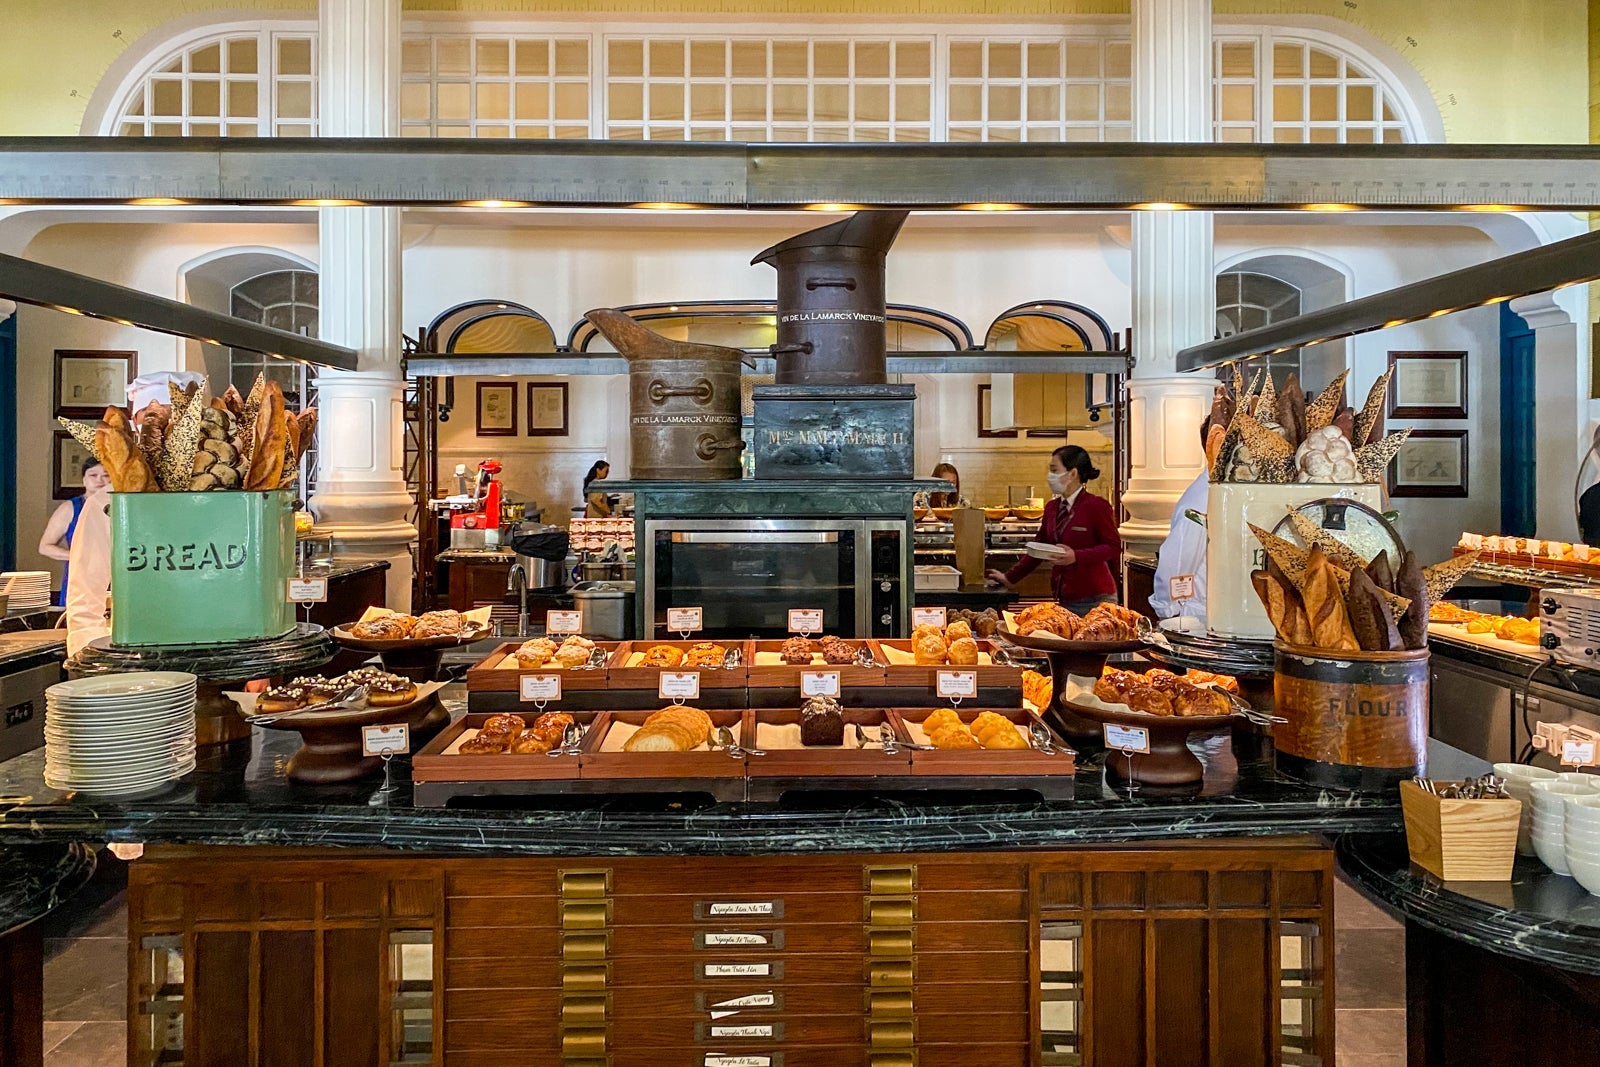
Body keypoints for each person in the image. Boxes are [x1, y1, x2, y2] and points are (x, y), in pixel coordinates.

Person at [64, 370, 205, 656]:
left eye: (171, 420)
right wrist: (90, 656)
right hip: (136, 653)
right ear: (136, 426)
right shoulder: (107, 502)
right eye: (150, 421)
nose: (162, 432)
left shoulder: (220, 495)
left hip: (213, 646)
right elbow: (85, 596)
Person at [986, 444, 1121, 615]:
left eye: (1054, 470)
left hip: (1096, 599)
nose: (1050, 476)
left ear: (1072, 473)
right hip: (1064, 597)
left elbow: (1113, 547)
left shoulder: (1096, 506)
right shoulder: (1052, 508)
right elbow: (1038, 548)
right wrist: (1009, 577)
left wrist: (1076, 556)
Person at [1149, 416, 1213, 626]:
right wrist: (1169, 608)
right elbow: (1177, 562)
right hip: (1197, 618)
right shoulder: (1201, 500)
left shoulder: (1222, 493)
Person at [39, 458, 111, 607]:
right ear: (84, 479)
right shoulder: (70, 508)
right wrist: (78, 556)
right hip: (80, 578)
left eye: (106, 475)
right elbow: (45, 547)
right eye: (93, 475)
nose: (100, 480)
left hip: (115, 577)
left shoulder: (121, 506)